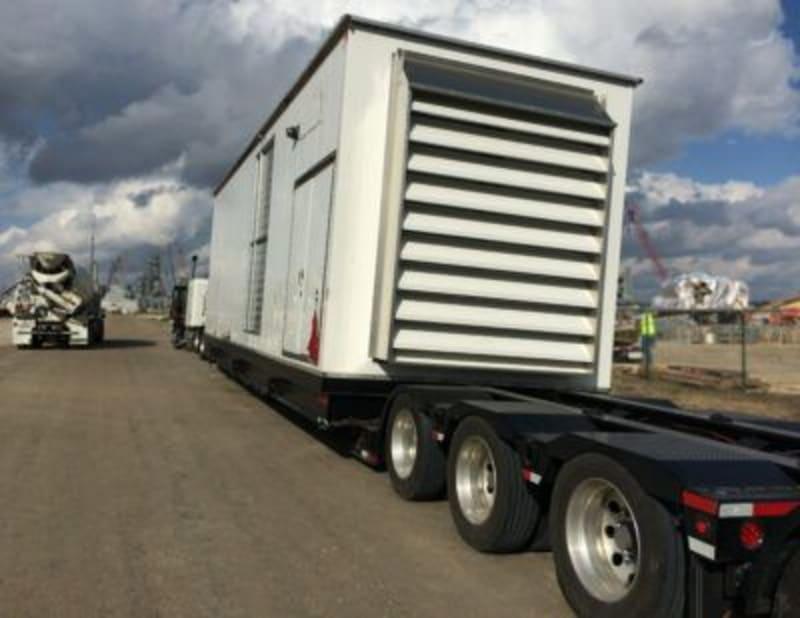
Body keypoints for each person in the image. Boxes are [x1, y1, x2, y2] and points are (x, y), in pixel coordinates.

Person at [640, 310, 657, 378]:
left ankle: (648, 368)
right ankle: (648, 367)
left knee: (646, 351)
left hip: (647, 335)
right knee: (647, 351)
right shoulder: (650, 316)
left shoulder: (644, 316)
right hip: (650, 335)